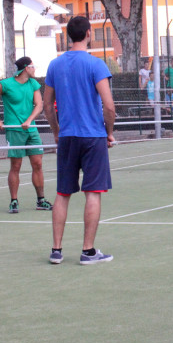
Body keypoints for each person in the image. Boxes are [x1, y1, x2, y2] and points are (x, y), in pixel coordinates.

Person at [43, 15, 116, 264]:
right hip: (92, 137)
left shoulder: (55, 65)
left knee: (63, 193)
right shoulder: (96, 65)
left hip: (67, 137)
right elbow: (109, 105)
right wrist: (108, 132)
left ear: (68, 36)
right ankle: (88, 251)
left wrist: (56, 131)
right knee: (93, 193)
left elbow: (47, 106)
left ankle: (56, 250)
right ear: (88, 34)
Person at [0, 56, 53, 213]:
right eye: (33, 66)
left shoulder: (33, 84)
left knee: (38, 164)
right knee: (16, 165)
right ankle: (14, 201)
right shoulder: (6, 84)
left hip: (31, 130)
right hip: (14, 131)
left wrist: (29, 120)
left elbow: (39, 105)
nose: (35, 69)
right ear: (26, 68)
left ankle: (41, 200)